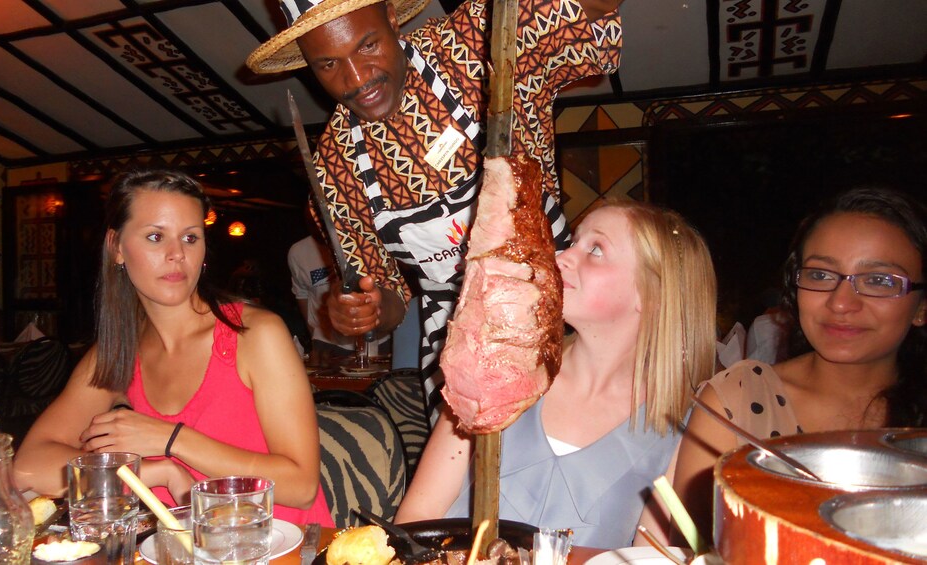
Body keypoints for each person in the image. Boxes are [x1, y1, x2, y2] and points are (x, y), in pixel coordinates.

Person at [246, 0, 624, 421]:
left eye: (368, 45)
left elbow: (593, 7)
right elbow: (389, 299)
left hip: (564, 314)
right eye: (328, 65)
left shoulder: (475, 41)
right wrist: (364, 311)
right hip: (456, 351)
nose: (356, 80)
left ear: (391, 20)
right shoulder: (336, 166)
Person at [13, 169, 334, 527]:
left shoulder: (254, 334)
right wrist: (154, 472)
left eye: (190, 238)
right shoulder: (118, 351)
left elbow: (301, 485)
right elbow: (28, 465)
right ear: (116, 248)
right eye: (155, 237)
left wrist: (173, 441)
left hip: (275, 548)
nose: (177, 254)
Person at [394, 200, 717, 549]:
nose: (562, 257)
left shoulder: (681, 430)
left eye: (596, 249)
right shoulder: (496, 367)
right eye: (574, 241)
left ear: (651, 295)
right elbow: (417, 520)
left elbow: (649, 559)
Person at [672, 186, 927, 544]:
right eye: (821, 275)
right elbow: (689, 547)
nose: (841, 303)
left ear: (921, 307)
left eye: (878, 281)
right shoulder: (738, 401)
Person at [288, 233, 357, 362]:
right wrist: (315, 335)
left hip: (374, 342)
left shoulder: (359, 238)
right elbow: (302, 294)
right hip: (326, 344)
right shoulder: (298, 251)